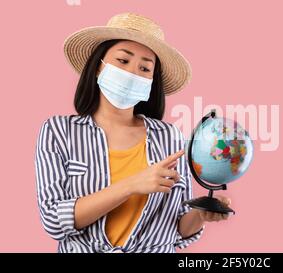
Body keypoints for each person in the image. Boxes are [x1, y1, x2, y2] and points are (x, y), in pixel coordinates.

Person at [34, 12, 231, 253]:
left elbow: (177, 231)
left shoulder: (169, 137)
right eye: (123, 61)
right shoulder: (58, 131)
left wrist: (200, 215)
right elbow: (54, 221)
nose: (132, 74)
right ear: (99, 67)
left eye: (145, 68)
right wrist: (132, 184)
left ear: (151, 81)